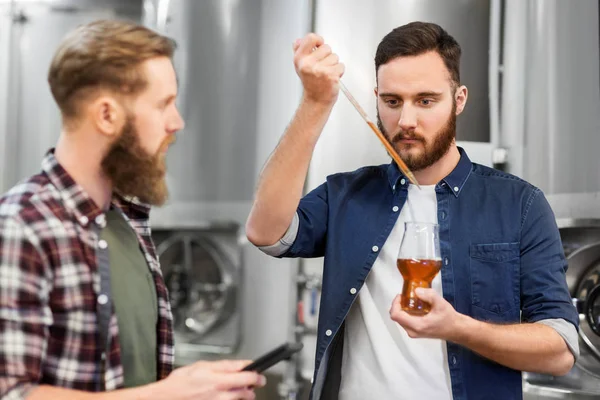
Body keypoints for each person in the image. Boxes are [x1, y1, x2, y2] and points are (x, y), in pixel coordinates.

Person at [245, 21, 579, 400]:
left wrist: (458, 328)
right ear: (375, 98)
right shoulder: (347, 195)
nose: (406, 120)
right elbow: (266, 233)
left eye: (425, 100)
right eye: (391, 101)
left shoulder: (520, 206)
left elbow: (561, 351)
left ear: (459, 99)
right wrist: (315, 102)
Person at [0, 19, 264, 400]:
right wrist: (169, 395)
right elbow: (13, 393)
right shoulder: (21, 226)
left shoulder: (128, 221)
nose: (177, 122)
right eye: (163, 105)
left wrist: (197, 389)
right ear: (107, 115)